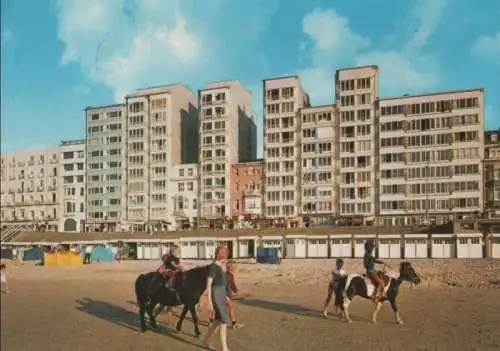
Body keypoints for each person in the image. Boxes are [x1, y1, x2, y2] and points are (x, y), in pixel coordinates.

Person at [203, 246, 231, 351]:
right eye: (223, 253)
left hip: (221, 293)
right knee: (224, 321)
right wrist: (209, 302)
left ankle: (205, 340)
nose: (225, 255)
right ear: (219, 254)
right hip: (216, 293)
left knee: (217, 321)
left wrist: (226, 296)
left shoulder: (220, 266)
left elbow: (223, 283)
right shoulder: (213, 267)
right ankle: (225, 348)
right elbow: (208, 285)